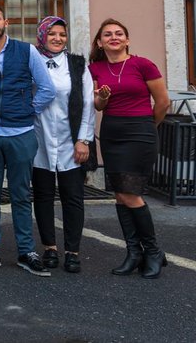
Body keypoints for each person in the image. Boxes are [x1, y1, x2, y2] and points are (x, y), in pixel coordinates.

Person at [0, 3, 55, 277]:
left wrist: (29, 110)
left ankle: (26, 251)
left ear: (6, 22)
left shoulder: (27, 51)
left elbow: (47, 88)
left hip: (21, 133)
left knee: (21, 195)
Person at [89, 19, 170, 279]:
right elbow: (98, 106)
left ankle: (153, 251)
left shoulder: (142, 64)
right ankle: (134, 253)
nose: (114, 37)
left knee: (132, 194)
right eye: (107, 34)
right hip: (113, 134)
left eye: (119, 33)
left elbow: (163, 102)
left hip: (141, 133)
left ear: (127, 40)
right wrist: (101, 98)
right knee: (120, 195)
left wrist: (148, 126)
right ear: (100, 43)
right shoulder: (94, 68)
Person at [30, 16, 96, 274]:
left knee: (73, 197)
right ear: (42, 35)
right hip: (39, 139)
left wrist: (83, 139)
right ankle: (49, 248)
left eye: (62, 34)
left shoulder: (77, 64)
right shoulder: (31, 60)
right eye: (52, 33)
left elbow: (89, 103)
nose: (58, 38)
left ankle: (72, 251)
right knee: (43, 196)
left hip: (71, 141)